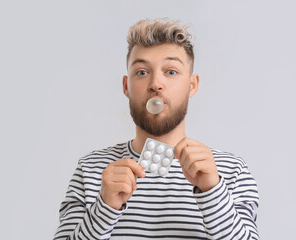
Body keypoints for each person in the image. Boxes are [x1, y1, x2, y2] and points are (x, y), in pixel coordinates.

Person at [54, 18, 259, 240]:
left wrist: (212, 191)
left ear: (192, 85)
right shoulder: (91, 171)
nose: (155, 84)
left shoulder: (230, 172)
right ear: (126, 87)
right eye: (142, 72)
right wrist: (104, 207)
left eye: (171, 71)